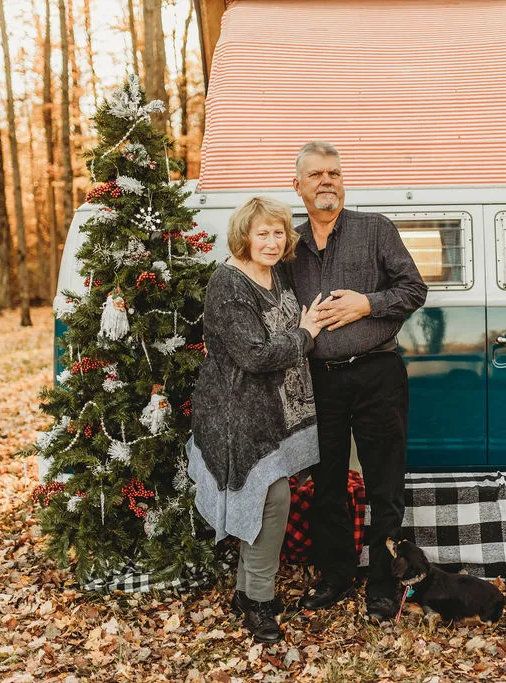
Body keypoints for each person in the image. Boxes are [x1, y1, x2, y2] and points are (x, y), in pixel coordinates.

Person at [284, 140, 428, 624]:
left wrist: (367, 303)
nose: (327, 181)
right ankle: (336, 575)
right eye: (316, 174)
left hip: (377, 374)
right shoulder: (289, 246)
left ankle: (384, 585)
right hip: (318, 382)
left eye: (335, 173)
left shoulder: (375, 229)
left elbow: (414, 289)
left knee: (384, 486)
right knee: (325, 483)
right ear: (298, 185)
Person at [187, 196, 323, 643]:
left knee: (272, 498)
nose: (272, 241)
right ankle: (259, 601)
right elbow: (255, 355)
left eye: (278, 233)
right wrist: (305, 335)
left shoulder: (276, 271)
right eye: (262, 233)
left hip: (272, 409)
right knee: (270, 496)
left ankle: (247, 592)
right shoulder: (229, 284)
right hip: (235, 413)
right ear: (243, 236)